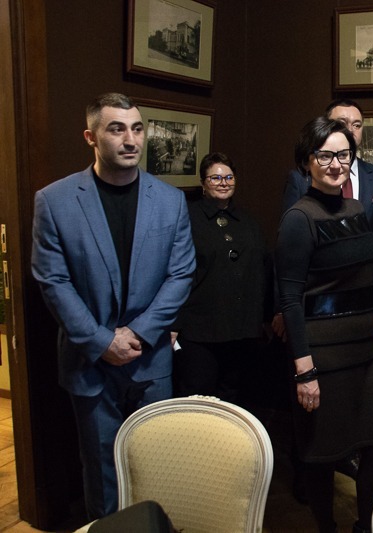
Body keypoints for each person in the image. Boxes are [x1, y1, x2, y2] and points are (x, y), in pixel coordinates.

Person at [31, 92, 195, 519]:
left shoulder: (171, 200)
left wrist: (137, 333)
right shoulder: (54, 200)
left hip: (150, 359)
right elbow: (53, 281)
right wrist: (102, 341)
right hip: (89, 362)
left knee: (154, 464)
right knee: (102, 471)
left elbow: (181, 275)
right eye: (117, 129)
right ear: (91, 137)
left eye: (137, 129)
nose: (130, 139)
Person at [275, 117, 373, 533]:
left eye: (343, 155)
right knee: (322, 455)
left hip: (365, 352)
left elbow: (366, 281)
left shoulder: (356, 209)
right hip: (322, 358)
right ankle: (326, 527)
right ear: (307, 160)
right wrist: (304, 370)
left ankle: (366, 527)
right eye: (325, 155)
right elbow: (290, 300)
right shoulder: (298, 218)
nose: (336, 164)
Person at [281, 99, 373, 333]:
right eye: (342, 123)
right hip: (317, 310)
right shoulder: (299, 186)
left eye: (357, 125)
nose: (350, 130)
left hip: (364, 309)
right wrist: (282, 311)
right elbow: (288, 260)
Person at [171, 152, 273, 403]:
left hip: (241, 330)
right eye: (215, 178)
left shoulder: (248, 222)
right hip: (199, 331)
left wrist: (268, 316)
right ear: (203, 183)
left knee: (234, 401)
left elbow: (262, 270)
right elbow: (177, 272)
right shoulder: (188, 219)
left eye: (228, 177)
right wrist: (174, 323)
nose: (223, 183)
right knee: (197, 400)